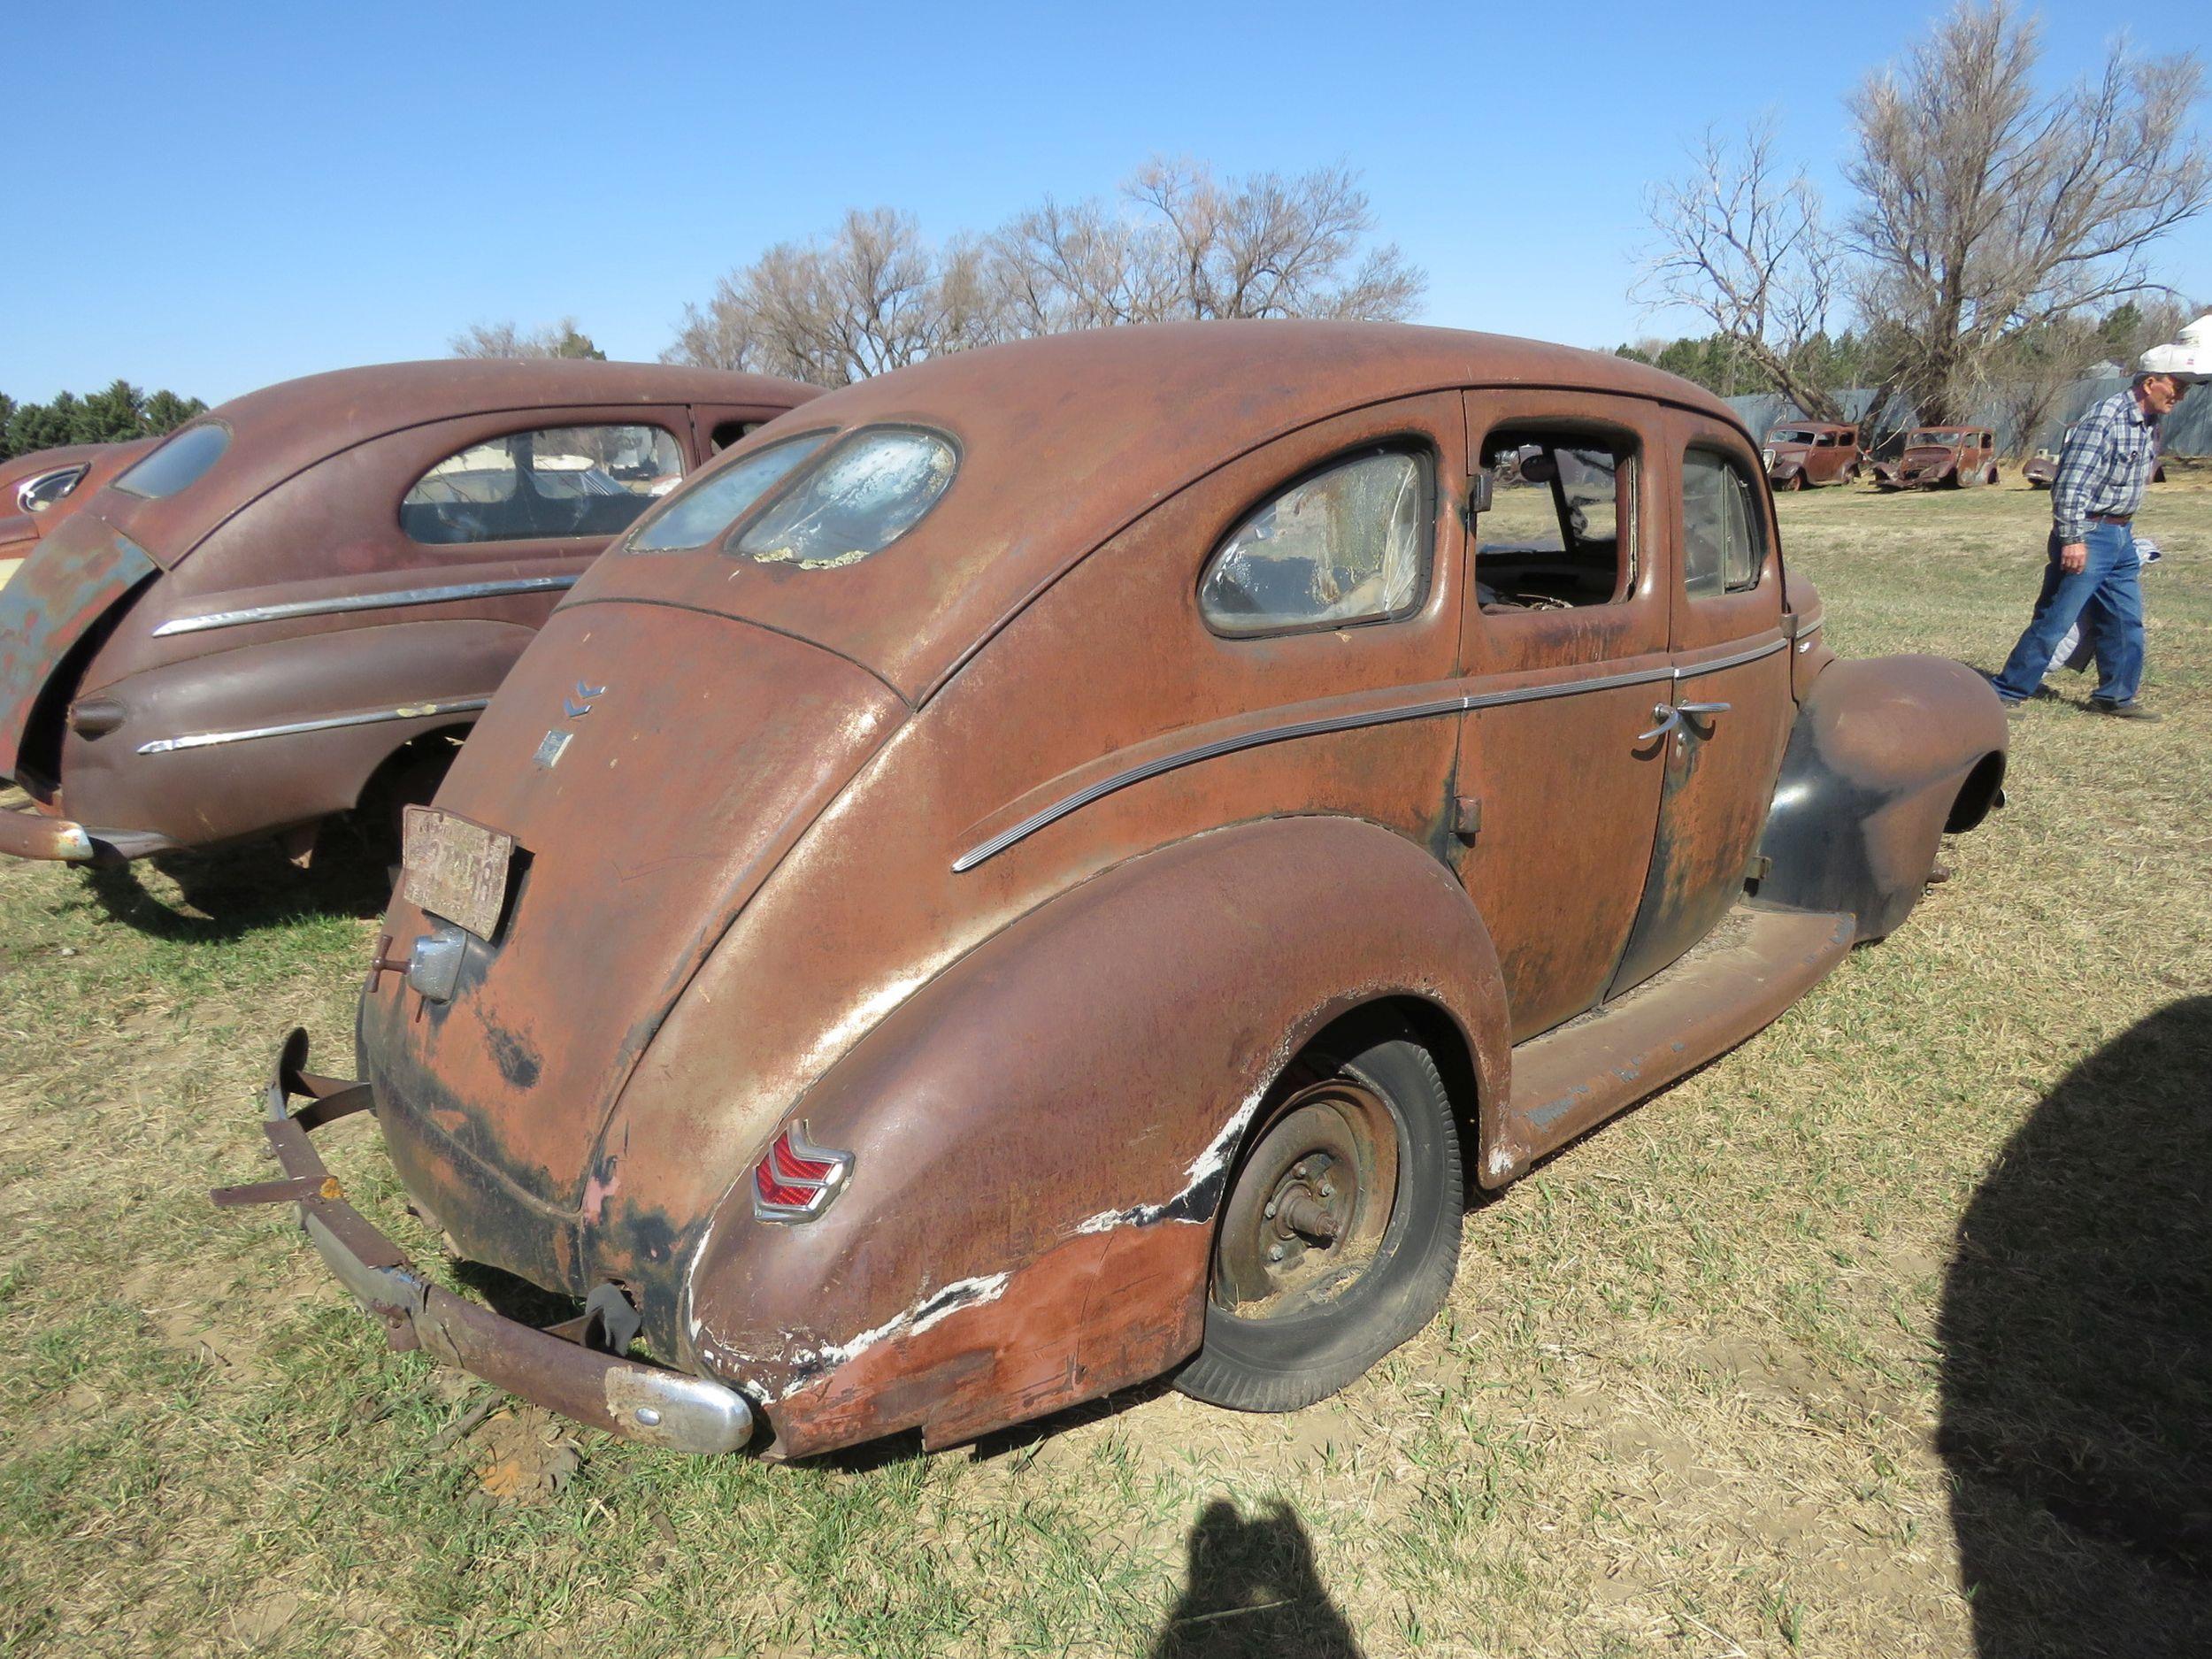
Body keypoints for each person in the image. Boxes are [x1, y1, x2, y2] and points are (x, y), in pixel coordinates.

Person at [1989, 321, 2208, 720]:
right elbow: (2070, 485)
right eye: (2177, 386)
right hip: (2090, 534)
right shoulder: (2104, 418)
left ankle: (2115, 696)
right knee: (2057, 618)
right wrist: (2073, 539)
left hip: (2121, 535)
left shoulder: (2149, 423)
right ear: (2149, 383)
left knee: (2125, 620)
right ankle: (2004, 692)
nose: (2181, 395)